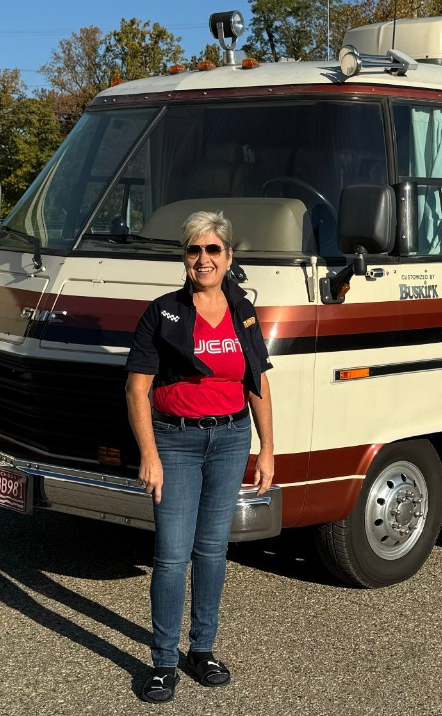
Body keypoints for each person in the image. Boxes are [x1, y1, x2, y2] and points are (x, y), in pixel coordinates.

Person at [125, 210, 275, 704]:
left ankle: (202, 650)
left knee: (212, 551)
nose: (203, 258)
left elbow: (257, 381)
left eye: (213, 250)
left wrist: (267, 448)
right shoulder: (164, 312)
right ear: (184, 257)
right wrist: (149, 453)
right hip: (176, 442)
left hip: (231, 439)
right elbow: (136, 387)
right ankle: (164, 661)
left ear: (229, 257)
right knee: (171, 556)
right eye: (194, 250)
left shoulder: (243, 311)